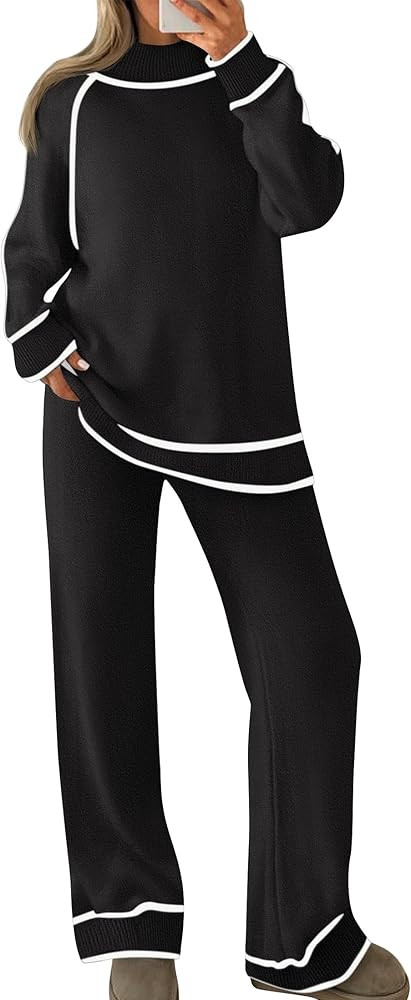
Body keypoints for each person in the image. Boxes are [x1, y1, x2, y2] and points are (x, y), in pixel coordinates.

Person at [3, 1, 408, 999]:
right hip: (97, 404)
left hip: (238, 413)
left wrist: (242, 61)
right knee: (99, 663)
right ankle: (133, 928)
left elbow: (305, 200)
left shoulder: (250, 86)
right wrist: (43, 340)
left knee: (314, 655)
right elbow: (32, 254)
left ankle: (304, 943)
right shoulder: (71, 99)